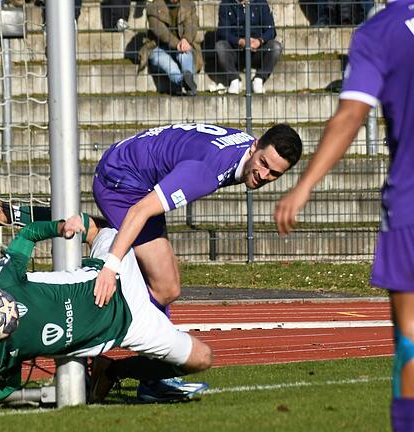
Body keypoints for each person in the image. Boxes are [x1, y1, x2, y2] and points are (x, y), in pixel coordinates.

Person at [272, 3, 414, 431]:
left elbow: (352, 115)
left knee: (410, 340)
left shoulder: (381, 31)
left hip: (410, 207)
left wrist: (304, 185)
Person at [0, 214, 213, 412]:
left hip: (112, 274)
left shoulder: (0, 281)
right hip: (126, 328)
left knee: (99, 227)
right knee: (201, 359)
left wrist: (62, 226)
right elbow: (5, 386)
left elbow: (27, 235)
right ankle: (116, 371)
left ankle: (12, 210)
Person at [88, 123, 302, 317]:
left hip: (130, 165)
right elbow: (139, 211)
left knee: (165, 276)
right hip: (119, 182)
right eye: (263, 163)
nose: (264, 175)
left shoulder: (243, 147)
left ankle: (159, 349)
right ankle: (91, 323)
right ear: (255, 146)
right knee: (166, 288)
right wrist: (110, 268)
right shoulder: (207, 172)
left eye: (274, 173)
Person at [213, 0, 282, 95]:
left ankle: (259, 79)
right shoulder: (226, 4)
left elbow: (271, 30)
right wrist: (240, 41)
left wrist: (259, 41)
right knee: (220, 46)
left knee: (276, 47)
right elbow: (223, 32)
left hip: (257, 49)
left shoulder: (260, 3)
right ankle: (234, 80)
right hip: (235, 50)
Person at [143, 0, 201, 96]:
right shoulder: (153, 7)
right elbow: (161, 32)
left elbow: (192, 25)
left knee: (185, 54)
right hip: (159, 47)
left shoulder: (189, 5)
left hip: (182, 45)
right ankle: (184, 82)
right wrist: (177, 44)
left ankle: (188, 77)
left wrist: (186, 39)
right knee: (168, 65)